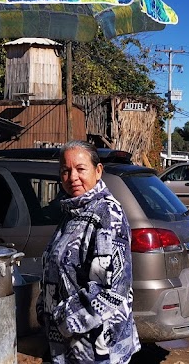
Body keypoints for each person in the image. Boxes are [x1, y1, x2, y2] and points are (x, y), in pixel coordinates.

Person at [37, 140, 139, 363]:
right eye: (65, 170)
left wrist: (63, 319)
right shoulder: (74, 211)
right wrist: (44, 309)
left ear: (98, 171)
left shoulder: (107, 214)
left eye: (80, 169)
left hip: (97, 348)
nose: (72, 177)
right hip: (71, 345)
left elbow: (112, 288)